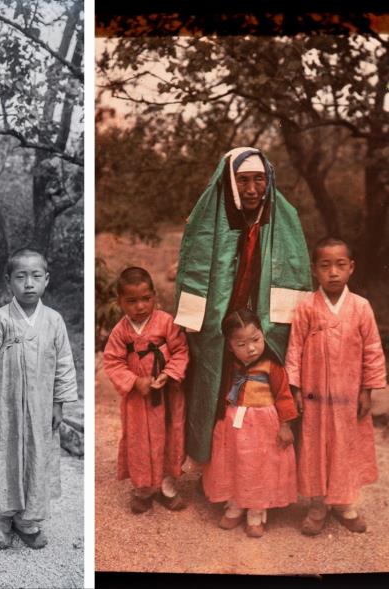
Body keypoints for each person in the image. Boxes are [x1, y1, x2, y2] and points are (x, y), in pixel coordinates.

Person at [174, 146, 311, 464]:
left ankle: (265, 470)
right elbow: (191, 271)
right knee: (218, 392)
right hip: (222, 324)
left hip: (262, 323)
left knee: (264, 393)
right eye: (243, 180)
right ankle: (216, 468)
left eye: (259, 180)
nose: (252, 190)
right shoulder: (209, 217)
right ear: (230, 182)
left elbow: (295, 269)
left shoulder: (283, 217)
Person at [0, 248, 77, 550]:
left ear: (46, 280)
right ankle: (1, 520)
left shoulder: (54, 321)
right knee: (3, 456)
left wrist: (59, 403)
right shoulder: (0, 318)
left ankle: (27, 520)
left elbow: (65, 363)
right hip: (5, 406)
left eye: (36, 276)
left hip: (41, 407)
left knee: (36, 457)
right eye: (21, 277)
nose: (29, 283)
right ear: (9, 282)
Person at [285, 237, 387, 535]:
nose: (333, 273)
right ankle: (317, 505)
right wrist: (296, 390)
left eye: (340, 265)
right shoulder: (306, 307)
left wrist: (367, 391)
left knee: (346, 446)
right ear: (314, 270)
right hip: (315, 396)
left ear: (351, 268)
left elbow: (372, 350)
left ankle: (345, 504)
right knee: (316, 446)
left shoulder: (361, 307)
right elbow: (294, 350)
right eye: (325, 266)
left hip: (348, 396)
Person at [202, 309, 298, 538]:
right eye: (241, 344)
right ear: (229, 346)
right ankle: (235, 504)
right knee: (235, 464)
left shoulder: (272, 367)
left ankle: (256, 510)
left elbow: (284, 396)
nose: (251, 348)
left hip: (264, 426)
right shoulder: (228, 368)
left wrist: (286, 425)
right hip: (235, 425)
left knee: (259, 468)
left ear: (264, 335)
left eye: (255, 340)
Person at [103, 267, 189, 514]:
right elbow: (112, 361)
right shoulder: (121, 331)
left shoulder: (166, 322)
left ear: (154, 296)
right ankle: (143, 488)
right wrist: (134, 381)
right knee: (139, 439)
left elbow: (181, 351)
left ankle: (167, 485)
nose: (140, 306)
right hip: (138, 399)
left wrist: (168, 374)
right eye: (131, 301)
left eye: (145, 299)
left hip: (166, 395)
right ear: (120, 302)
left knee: (169, 435)